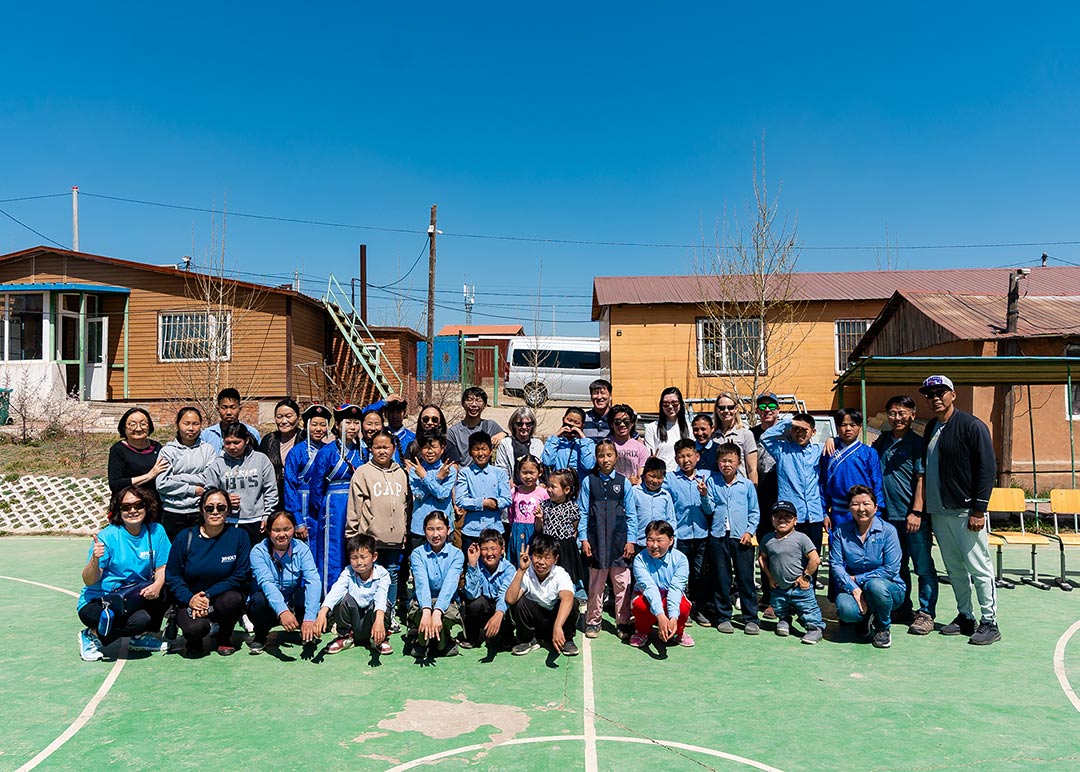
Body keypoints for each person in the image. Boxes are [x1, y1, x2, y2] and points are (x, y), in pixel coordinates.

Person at [919, 374, 1000, 646]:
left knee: (979, 568)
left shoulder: (971, 426)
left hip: (967, 513)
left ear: (953, 394)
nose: (935, 398)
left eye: (941, 392)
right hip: (940, 512)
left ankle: (990, 622)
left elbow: (987, 469)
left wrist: (979, 509)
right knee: (954, 568)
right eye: (930, 394)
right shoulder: (931, 426)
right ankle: (966, 616)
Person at [77, 486, 171, 661]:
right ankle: (92, 635)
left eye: (138, 505)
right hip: (101, 601)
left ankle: (139, 637)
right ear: (118, 510)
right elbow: (89, 581)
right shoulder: (108, 536)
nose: (133, 510)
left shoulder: (156, 531)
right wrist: (95, 559)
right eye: (126, 507)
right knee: (139, 620)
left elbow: (162, 567)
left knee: (167, 588)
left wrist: (157, 585)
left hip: (133, 597)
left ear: (146, 506)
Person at [872, 395, 937, 635]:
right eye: (892, 413)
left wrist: (916, 512)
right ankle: (902, 607)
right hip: (887, 519)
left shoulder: (917, 444)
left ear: (912, 414)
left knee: (922, 567)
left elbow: (921, 480)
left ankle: (926, 613)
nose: (896, 418)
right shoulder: (881, 442)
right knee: (897, 566)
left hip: (912, 518)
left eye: (901, 413)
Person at [165, 488, 252, 656]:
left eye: (221, 507)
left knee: (233, 599)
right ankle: (194, 639)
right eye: (209, 508)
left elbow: (240, 575)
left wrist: (208, 595)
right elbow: (173, 576)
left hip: (220, 597)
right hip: (190, 598)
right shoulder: (185, 537)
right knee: (195, 629)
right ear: (201, 510)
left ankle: (224, 638)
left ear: (228, 510)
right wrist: (190, 599)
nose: (215, 512)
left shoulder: (239, 537)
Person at [346, 430, 409, 629]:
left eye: (386, 447)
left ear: (393, 449)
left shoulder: (401, 473)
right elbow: (354, 505)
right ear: (370, 449)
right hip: (370, 536)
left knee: (391, 574)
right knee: (368, 574)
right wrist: (352, 533)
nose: (382, 451)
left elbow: (405, 506)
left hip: (394, 536)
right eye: (377, 447)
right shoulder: (363, 472)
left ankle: (387, 615)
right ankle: (367, 613)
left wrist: (404, 531)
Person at [831, 485, 905, 649]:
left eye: (866, 503)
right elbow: (835, 564)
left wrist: (858, 579)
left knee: (875, 585)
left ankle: (883, 627)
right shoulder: (841, 531)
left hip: (888, 588)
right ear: (849, 507)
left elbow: (891, 569)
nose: (861, 509)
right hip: (855, 586)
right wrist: (853, 587)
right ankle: (865, 618)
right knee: (845, 610)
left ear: (876, 507)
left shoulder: (888, 531)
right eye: (855, 504)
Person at [578, 438, 637, 639]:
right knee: (596, 585)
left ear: (616, 456)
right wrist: (583, 539)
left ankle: (623, 622)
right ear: (596, 458)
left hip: (619, 541)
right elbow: (583, 511)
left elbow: (632, 515)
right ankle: (593, 621)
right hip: (596, 542)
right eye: (601, 455)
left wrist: (631, 540)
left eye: (609, 455)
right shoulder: (588, 482)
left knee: (622, 585)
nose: (605, 459)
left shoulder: (623, 483)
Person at [759, 413, 826, 583]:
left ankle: (807, 597)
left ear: (813, 431)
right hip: (790, 517)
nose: (800, 434)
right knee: (787, 560)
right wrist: (789, 422)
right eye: (796, 429)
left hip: (813, 516)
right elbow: (765, 437)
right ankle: (785, 600)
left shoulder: (818, 451)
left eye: (804, 430)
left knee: (812, 559)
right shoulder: (782, 450)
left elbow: (839, 445)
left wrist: (832, 440)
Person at [704, 443, 761, 635]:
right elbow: (709, 510)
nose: (726, 464)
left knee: (745, 578)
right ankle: (723, 616)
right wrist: (704, 495)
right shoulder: (712, 482)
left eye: (730, 461)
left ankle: (751, 618)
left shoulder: (746, 485)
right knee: (722, 578)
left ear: (738, 462)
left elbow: (754, 511)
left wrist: (749, 531)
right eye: (723, 461)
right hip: (718, 536)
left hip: (742, 537)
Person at [307, 404, 364, 594]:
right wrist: (322, 509)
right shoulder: (327, 451)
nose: (353, 427)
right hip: (333, 508)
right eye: (348, 422)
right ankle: (330, 599)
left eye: (356, 422)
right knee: (333, 552)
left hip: (359, 505)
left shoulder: (364, 451)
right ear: (338, 425)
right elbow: (316, 487)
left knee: (357, 550)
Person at [247, 511, 322, 654]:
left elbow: (313, 580)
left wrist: (310, 617)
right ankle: (261, 636)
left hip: (291, 598)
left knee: (304, 593)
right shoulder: (258, 552)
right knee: (258, 600)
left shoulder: (302, 549)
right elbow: (266, 583)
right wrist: (283, 611)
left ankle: (306, 631)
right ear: (268, 531)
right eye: (276, 530)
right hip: (269, 601)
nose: (282, 534)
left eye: (287, 529)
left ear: (294, 528)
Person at [758, 500, 824, 645]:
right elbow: (762, 558)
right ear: (772, 520)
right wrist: (769, 577)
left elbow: (815, 559)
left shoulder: (801, 538)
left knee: (808, 609)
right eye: (777, 516)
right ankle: (784, 619)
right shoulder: (767, 539)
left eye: (787, 516)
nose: (782, 519)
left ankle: (815, 629)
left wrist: (805, 577)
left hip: (800, 587)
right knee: (779, 606)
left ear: (795, 521)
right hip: (779, 586)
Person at [202, 423, 278, 547]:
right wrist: (224, 499)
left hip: (256, 522)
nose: (232, 447)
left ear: (246, 440)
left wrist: (267, 515)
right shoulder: (217, 464)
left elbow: (270, 490)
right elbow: (209, 492)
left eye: (237, 442)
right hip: (228, 522)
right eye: (227, 443)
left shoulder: (261, 460)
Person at [317, 534, 393, 656]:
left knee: (384, 604)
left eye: (363, 557)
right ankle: (345, 637)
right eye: (354, 558)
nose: (359, 562)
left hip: (373, 621)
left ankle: (379, 639)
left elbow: (381, 595)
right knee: (341, 599)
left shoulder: (383, 574)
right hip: (354, 621)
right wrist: (322, 612)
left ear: (374, 557)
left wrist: (379, 619)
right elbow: (336, 590)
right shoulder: (347, 572)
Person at [663, 439, 712, 626]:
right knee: (679, 576)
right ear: (676, 459)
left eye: (689, 455)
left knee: (699, 575)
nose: (685, 460)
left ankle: (698, 609)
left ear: (697, 457)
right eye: (681, 456)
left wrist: (704, 495)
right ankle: (682, 609)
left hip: (701, 535)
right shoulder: (670, 479)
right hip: (680, 536)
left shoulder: (706, 477)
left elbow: (709, 510)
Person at [505, 533, 579, 657]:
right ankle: (528, 639)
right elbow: (510, 599)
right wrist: (521, 570)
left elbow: (567, 598)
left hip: (555, 619)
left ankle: (566, 639)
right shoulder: (526, 572)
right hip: (536, 619)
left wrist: (558, 626)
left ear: (555, 559)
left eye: (546, 557)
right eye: (537, 556)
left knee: (573, 601)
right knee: (519, 602)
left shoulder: (561, 574)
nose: (541, 562)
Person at [407, 511, 465, 658]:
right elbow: (421, 584)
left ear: (448, 529)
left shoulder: (457, 554)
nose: (435, 534)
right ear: (424, 530)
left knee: (446, 615)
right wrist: (427, 610)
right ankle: (422, 641)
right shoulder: (417, 554)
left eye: (440, 528)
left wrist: (437, 611)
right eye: (430, 529)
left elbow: (450, 585)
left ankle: (442, 641)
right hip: (423, 601)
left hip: (447, 602)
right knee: (420, 611)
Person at [156, 406, 217, 541]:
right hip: (172, 512)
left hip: (199, 511)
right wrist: (192, 489)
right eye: (186, 423)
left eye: (195, 424)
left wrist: (177, 478)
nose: (191, 428)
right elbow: (162, 484)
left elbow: (209, 478)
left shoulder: (208, 450)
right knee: (175, 554)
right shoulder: (167, 451)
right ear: (177, 424)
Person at [630, 520, 693, 648]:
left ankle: (678, 632)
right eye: (650, 540)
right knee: (640, 605)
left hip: (670, 596)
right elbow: (649, 588)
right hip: (647, 596)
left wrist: (673, 617)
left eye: (659, 540)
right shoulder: (639, 559)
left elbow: (676, 589)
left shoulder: (681, 560)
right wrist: (660, 615)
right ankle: (642, 631)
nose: (654, 545)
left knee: (683, 606)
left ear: (671, 541)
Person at [821, 409, 885, 531]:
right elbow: (822, 484)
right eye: (844, 425)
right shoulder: (828, 452)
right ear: (837, 427)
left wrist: (877, 512)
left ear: (860, 427)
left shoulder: (869, 453)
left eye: (853, 425)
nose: (848, 429)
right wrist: (824, 512)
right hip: (838, 513)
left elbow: (877, 484)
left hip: (865, 512)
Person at [750, 393, 781, 618]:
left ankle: (783, 597)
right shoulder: (752, 434)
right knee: (765, 548)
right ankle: (768, 592)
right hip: (759, 498)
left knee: (783, 549)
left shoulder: (787, 431)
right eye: (763, 406)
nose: (767, 409)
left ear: (778, 409)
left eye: (772, 405)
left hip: (783, 498)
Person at [282, 404, 334, 541]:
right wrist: (297, 519)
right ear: (306, 426)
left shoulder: (330, 451)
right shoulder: (296, 452)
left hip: (323, 503)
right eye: (314, 424)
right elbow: (289, 487)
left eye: (323, 425)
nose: (318, 429)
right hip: (302, 503)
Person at [454, 431, 512, 551]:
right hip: (471, 531)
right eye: (476, 449)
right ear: (470, 452)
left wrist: (495, 503)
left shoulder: (500, 473)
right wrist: (483, 503)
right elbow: (460, 500)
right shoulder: (465, 473)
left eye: (484, 449)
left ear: (490, 451)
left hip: (495, 529)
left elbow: (507, 499)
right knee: (471, 565)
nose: (480, 453)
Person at [461, 528, 516, 650]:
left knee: (512, 603)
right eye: (485, 549)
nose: (489, 553)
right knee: (474, 604)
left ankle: (508, 636)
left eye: (493, 549)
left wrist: (499, 613)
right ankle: (472, 637)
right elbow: (471, 594)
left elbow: (504, 594)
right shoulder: (477, 565)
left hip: (502, 609)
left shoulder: (509, 569)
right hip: (485, 606)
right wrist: (472, 565)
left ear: (502, 549)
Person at [537, 468, 586, 601]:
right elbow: (539, 529)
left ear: (567, 490)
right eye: (548, 486)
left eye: (553, 487)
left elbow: (574, 525)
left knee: (568, 576)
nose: (549, 489)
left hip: (566, 547)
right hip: (548, 546)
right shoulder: (544, 505)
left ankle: (570, 601)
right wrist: (540, 519)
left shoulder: (572, 507)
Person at [405, 433, 458, 549]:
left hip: (444, 527)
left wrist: (425, 478)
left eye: (434, 447)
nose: (429, 451)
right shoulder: (415, 471)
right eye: (425, 447)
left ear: (442, 448)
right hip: (420, 528)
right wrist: (437, 478)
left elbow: (443, 494)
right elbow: (419, 495)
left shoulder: (449, 470)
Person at [107, 407, 167, 495]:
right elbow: (115, 484)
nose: (138, 429)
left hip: (155, 501)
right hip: (130, 503)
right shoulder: (118, 450)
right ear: (124, 427)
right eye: (132, 424)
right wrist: (149, 475)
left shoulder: (157, 447)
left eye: (143, 424)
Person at [259, 398, 303, 505]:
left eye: (288, 416)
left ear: (298, 417)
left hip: (300, 495)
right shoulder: (268, 440)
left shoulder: (305, 439)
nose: (284, 421)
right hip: (274, 498)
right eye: (279, 417)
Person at [445, 387, 506, 464]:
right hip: (463, 473)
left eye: (478, 400)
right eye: (470, 400)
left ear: (484, 405)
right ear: (463, 404)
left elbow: (508, 440)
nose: (474, 404)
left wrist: (503, 434)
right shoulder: (454, 432)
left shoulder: (490, 426)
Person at [712, 392, 758, 484]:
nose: (726, 411)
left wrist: (753, 492)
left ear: (736, 408)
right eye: (721, 408)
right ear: (717, 410)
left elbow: (752, 470)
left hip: (740, 487)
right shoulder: (711, 435)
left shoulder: (746, 434)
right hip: (717, 488)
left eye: (730, 407)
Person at [509, 455, 548, 558]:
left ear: (540, 472)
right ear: (518, 472)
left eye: (531, 473)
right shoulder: (514, 492)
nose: (528, 476)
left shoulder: (543, 493)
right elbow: (511, 513)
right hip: (517, 531)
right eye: (524, 473)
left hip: (535, 531)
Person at [644, 386, 692, 470]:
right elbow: (649, 455)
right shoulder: (652, 428)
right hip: (662, 476)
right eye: (666, 404)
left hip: (683, 476)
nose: (670, 406)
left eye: (674, 403)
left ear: (681, 403)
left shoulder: (689, 427)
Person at [633, 457, 676, 549]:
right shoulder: (634, 492)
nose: (655, 481)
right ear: (644, 475)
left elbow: (671, 519)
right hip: (639, 543)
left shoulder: (666, 495)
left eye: (659, 478)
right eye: (652, 476)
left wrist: (673, 543)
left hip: (660, 545)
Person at [201, 387, 261, 453]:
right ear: (218, 409)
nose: (228, 412)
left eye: (233, 407)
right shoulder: (207, 435)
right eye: (224, 408)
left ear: (239, 409)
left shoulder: (251, 432)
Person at [541, 407, 596, 479]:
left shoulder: (588, 443)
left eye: (577, 423)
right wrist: (556, 436)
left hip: (580, 486)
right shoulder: (553, 441)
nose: (572, 424)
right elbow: (547, 462)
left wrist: (582, 438)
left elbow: (588, 465)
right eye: (569, 420)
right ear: (563, 419)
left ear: (582, 425)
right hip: (559, 485)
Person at [494, 406, 544, 480]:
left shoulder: (538, 444)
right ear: (514, 425)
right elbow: (501, 468)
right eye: (519, 424)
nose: (524, 427)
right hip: (512, 487)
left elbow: (542, 467)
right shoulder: (505, 443)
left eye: (528, 424)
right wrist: (508, 482)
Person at [608, 404, 649, 484]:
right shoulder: (605, 444)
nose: (622, 425)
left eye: (626, 422)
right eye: (617, 422)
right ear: (611, 424)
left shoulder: (641, 448)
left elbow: (641, 475)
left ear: (632, 423)